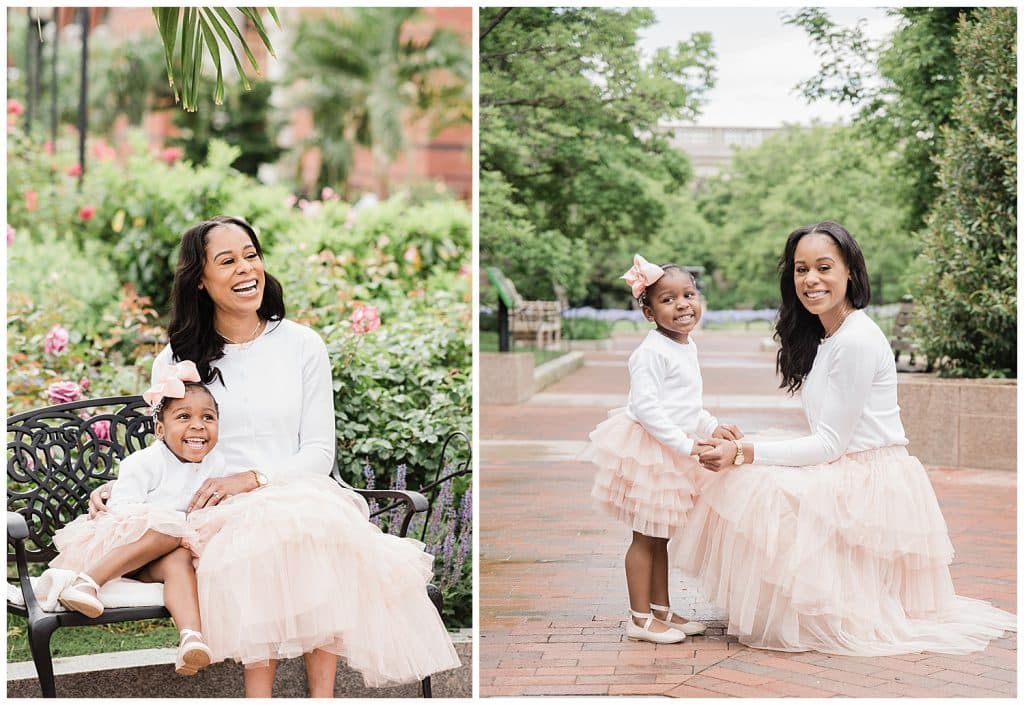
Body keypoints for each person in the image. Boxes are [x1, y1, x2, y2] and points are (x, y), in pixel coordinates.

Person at [89, 215, 460, 696]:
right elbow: (175, 444)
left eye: (251, 255)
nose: (247, 269)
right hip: (216, 513)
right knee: (259, 541)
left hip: (294, 491)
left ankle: (320, 697)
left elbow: (319, 452)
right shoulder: (179, 358)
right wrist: (123, 485)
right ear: (200, 281)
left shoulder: (302, 344)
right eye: (228, 261)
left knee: (311, 530)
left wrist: (254, 480)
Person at [678, 221, 1016, 655]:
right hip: (847, 462)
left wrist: (742, 452)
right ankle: (802, 603)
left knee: (753, 482)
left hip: (869, 474)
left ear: (850, 273)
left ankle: (813, 608)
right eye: (801, 269)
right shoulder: (827, 333)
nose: (811, 280)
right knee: (749, 474)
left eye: (824, 267)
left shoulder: (856, 339)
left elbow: (828, 445)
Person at [585, 254, 743, 644]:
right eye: (668, 300)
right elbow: (647, 408)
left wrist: (710, 426)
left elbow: (685, 406)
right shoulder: (651, 352)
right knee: (644, 537)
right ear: (649, 311)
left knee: (660, 536)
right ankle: (639, 618)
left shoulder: (684, 347)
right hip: (651, 451)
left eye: (688, 294)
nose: (682, 305)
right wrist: (687, 445)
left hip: (671, 446)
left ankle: (661, 609)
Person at [49, 362, 226, 675]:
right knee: (171, 531)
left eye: (207, 417)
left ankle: (190, 639)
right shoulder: (144, 463)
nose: (198, 426)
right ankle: (86, 582)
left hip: (163, 556)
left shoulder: (216, 464)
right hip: (124, 548)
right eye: (184, 416)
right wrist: (172, 523)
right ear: (160, 429)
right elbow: (122, 512)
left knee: (179, 560)